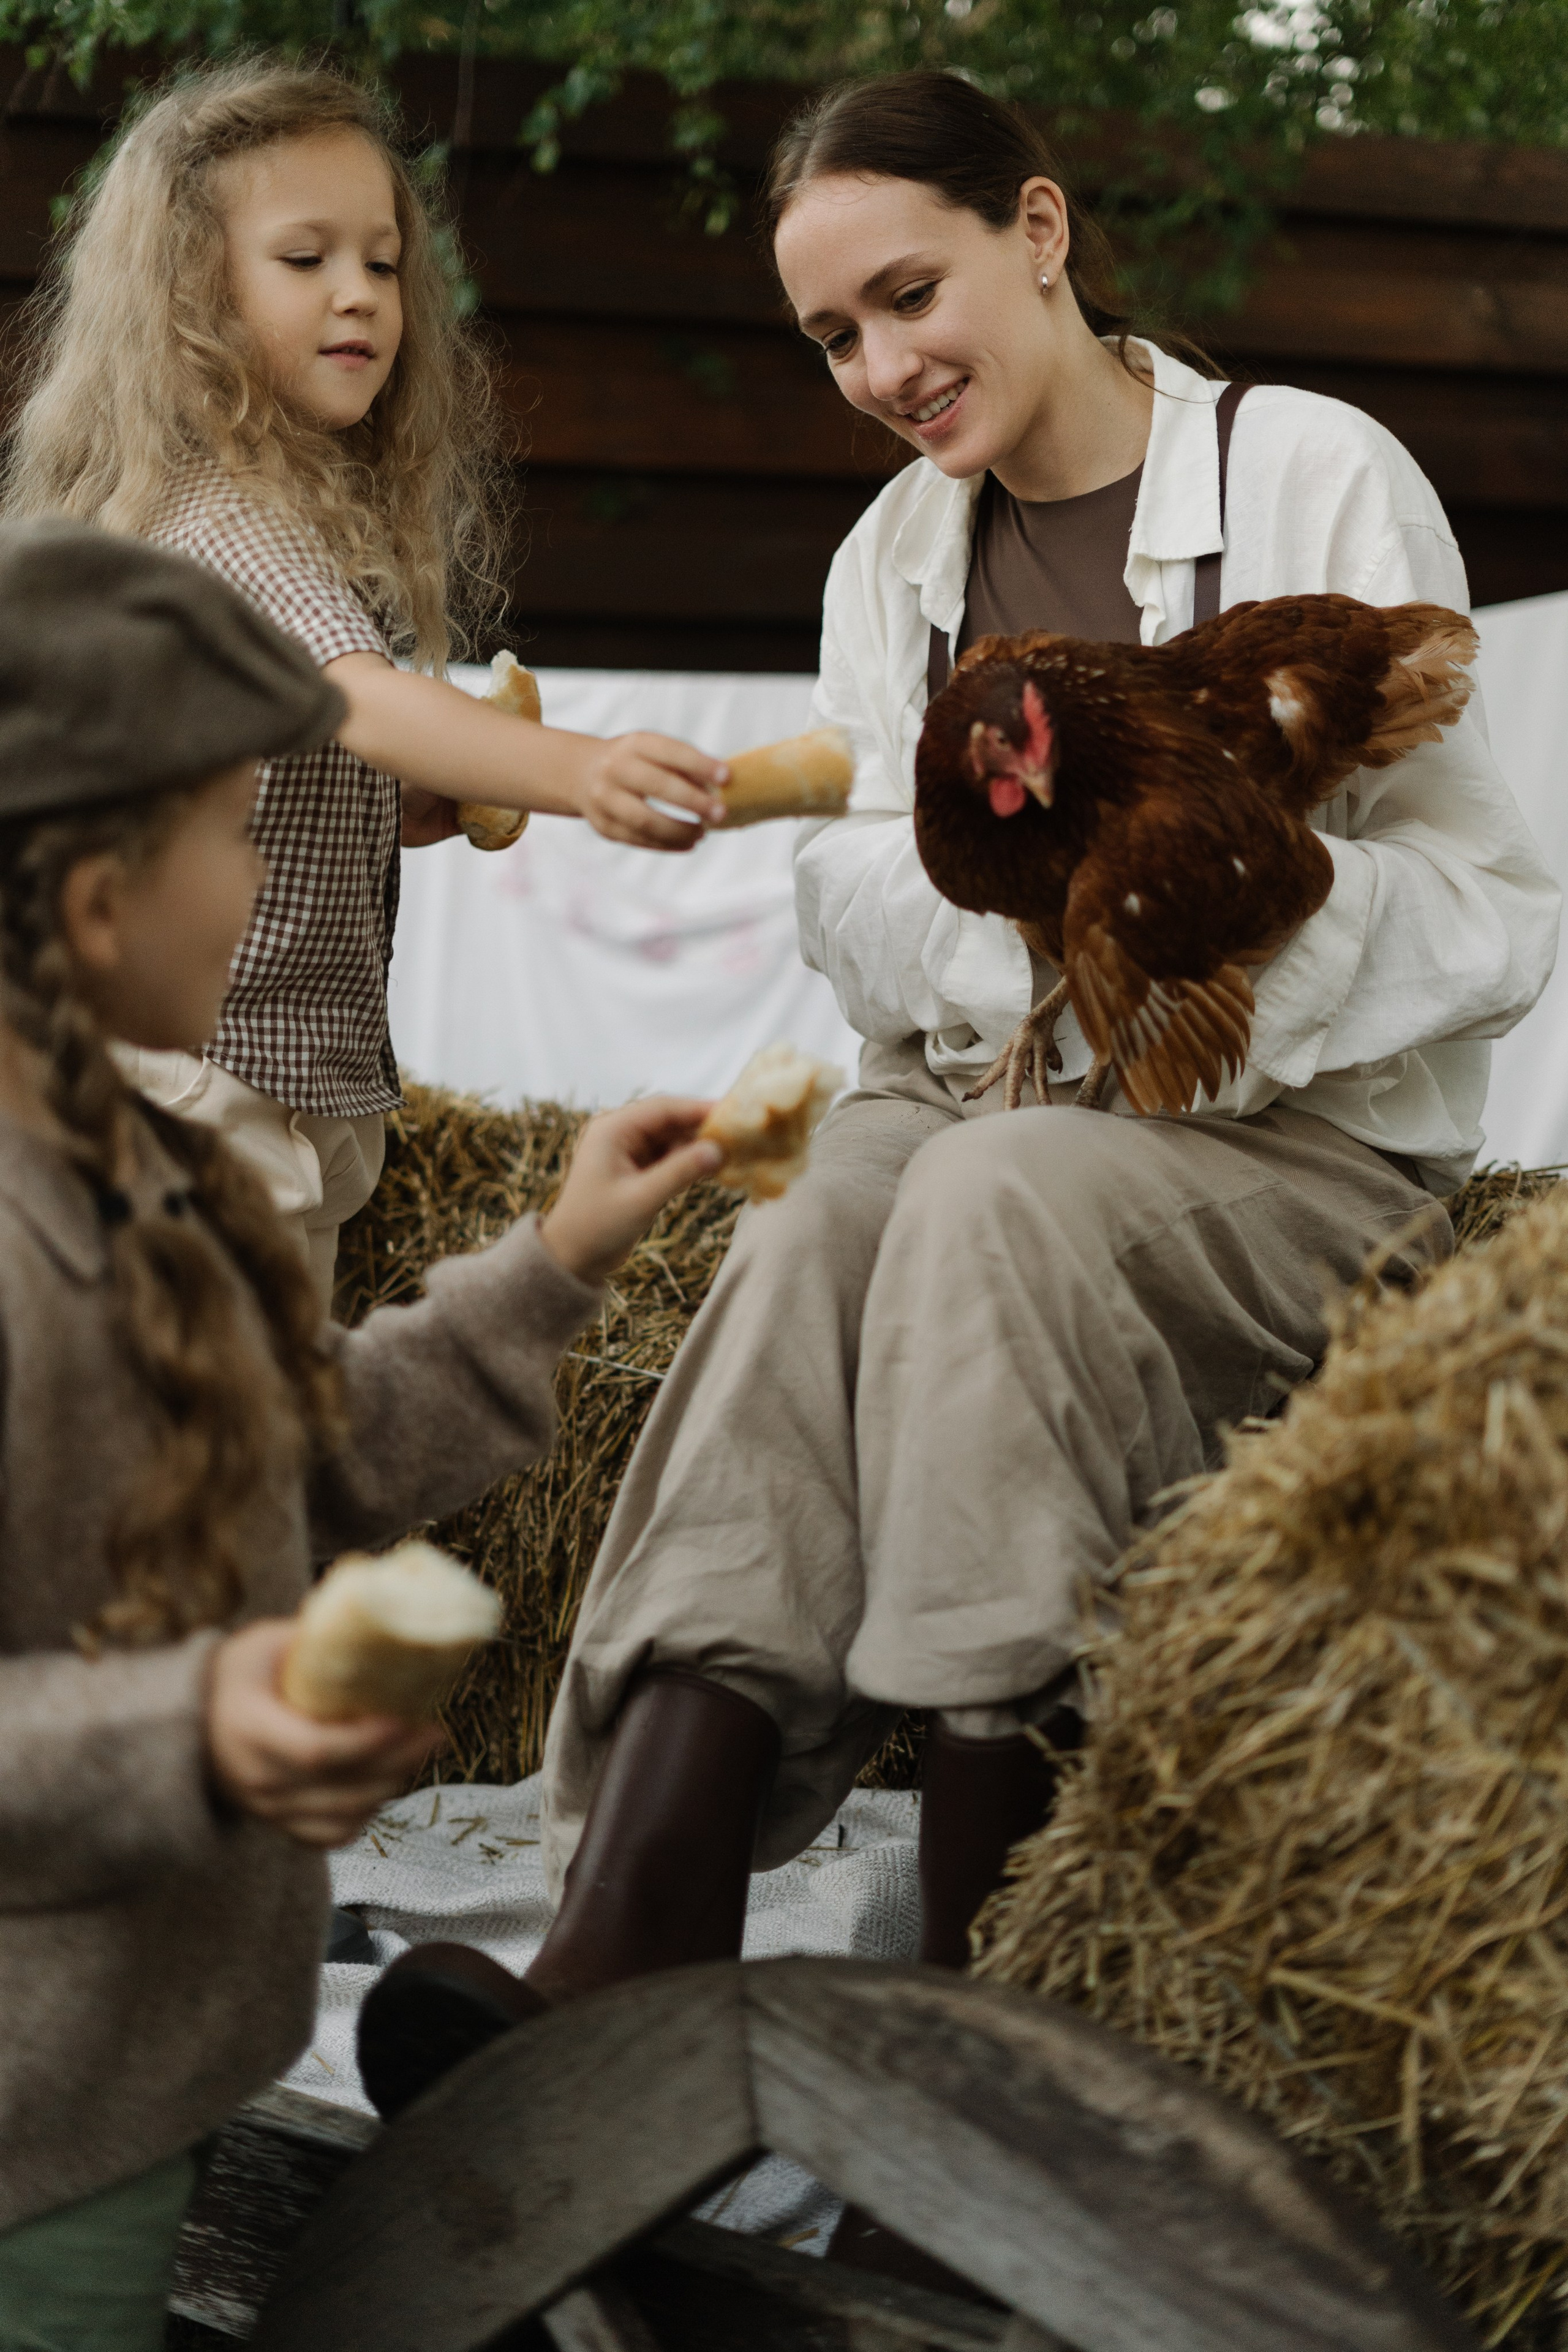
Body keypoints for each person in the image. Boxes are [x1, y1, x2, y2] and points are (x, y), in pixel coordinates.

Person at [359, 69, 1558, 2143]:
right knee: (820, 1210)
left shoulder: (1313, 474)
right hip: (993, 1092)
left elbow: (1493, 914)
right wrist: (1047, 951)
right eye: (834, 336)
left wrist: (1197, 923)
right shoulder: (895, 558)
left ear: (1039, 227)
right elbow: (853, 898)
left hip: (1307, 1150)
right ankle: (641, 1907)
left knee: (993, 1189)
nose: (884, 368)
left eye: (910, 295)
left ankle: (1005, 1954)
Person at [0, 516, 722, 2352]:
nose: (266, 891)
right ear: (97, 907)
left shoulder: (152, 1183)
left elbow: (299, 1463)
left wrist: (556, 1257)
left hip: (130, 2082)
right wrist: (201, 1724)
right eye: (240, 838)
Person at [2, 62, 729, 1300]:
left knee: (269, 1426)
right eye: (306, 260)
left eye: (383, 263)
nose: (360, 296)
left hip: (279, 1070)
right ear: (190, 295)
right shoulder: (228, 518)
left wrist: (393, 815)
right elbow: (358, 698)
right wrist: (583, 771)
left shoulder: (268, 512)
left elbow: (259, 761)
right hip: (208, 1081)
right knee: (224, 1443)